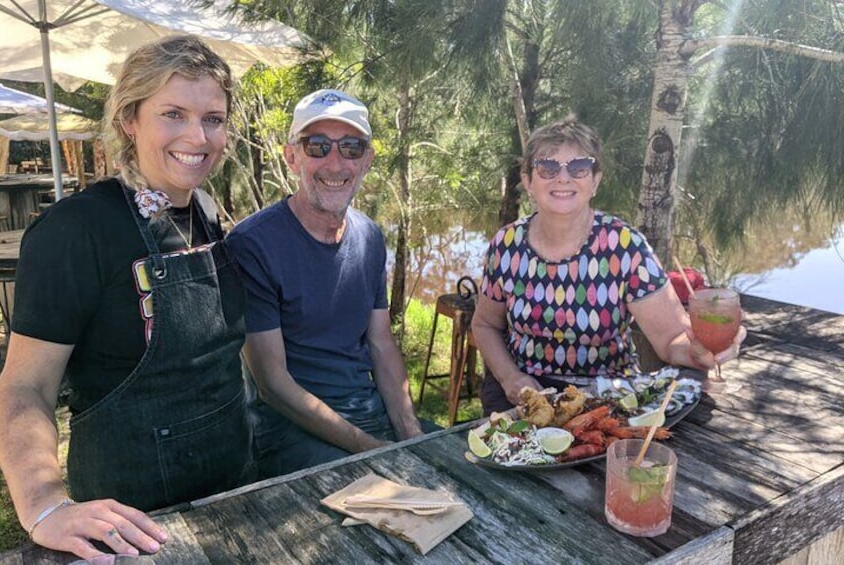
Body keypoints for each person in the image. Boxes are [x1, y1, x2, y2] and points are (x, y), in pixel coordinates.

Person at [0, 36, 254, 560]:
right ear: (129, 120)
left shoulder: (203, 209)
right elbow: (23, 388)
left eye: (213, 118)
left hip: (237, 494)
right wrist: (43, 504)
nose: (197, 136)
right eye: (174, 113)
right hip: (137, 524)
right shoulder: (74, 231)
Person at [471, 116, 746, 413]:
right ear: (527, 181)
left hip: (607, 398)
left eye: (579, 167)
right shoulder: (506, 245)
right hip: (524, 394)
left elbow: (671, 339)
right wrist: (511, 377)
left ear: (595, 180)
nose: (563, 177)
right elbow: (485, 324)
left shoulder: (625, 247)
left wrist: (697, 353)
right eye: (547, 167)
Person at [227, 89, 429, 478]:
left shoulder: (370, 237)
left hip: (369, 417)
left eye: (351, 147)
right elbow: (272, 384)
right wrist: (371, 450)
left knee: (461, 473)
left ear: (367, 160)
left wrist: (410, 435)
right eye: (317, 146)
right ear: (292, 157)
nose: (335, 163)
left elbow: (381, 343)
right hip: (291, 436)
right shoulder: (252, 245)